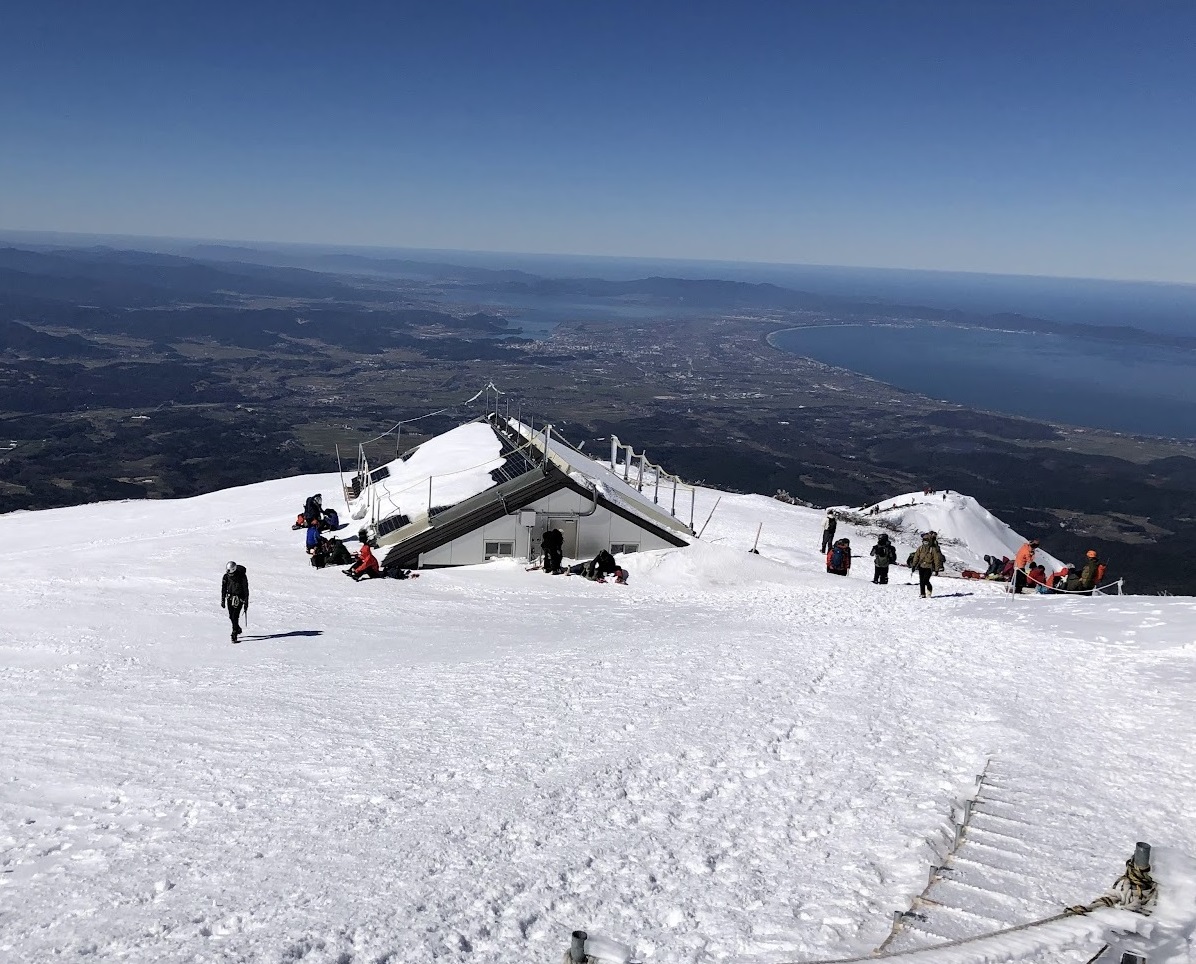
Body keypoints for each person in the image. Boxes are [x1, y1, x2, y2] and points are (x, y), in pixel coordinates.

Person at [220, 561, 250, 643]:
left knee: (235, 616)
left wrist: (246, 602)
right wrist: (223, 599)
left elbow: (245, 589)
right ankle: (237, 628)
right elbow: (223, 588)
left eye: (229, 570)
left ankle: (234, 634)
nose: (227, 572)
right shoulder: (226, 577)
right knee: (231, 616)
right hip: (229, 598)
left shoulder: (242, 576)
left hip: (239, 599)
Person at [909, 531, 944, 598]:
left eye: (926, 540)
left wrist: (936, 569)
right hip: (921, 566)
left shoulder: (932, 549)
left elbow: (936, 559)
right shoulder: (920, 548)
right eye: (924, 540)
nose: (925, 542)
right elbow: (916, 556)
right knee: (921, 581)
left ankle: (929, 589)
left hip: (929, 567)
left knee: (925, 580)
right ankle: (922, 593)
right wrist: (914, 565)